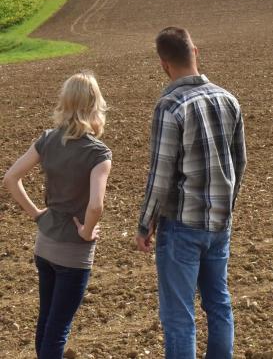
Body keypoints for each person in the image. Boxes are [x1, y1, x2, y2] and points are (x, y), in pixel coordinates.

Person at [134, 27, 246, 359]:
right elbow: (239, 163)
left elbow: (160, 174)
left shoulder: (170, 106)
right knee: (219, 305)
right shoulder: (229, 99)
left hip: (182, 227)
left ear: (164, 64)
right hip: (219, 225)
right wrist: (226, 207)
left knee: (179, 319)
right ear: (195, 51)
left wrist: (144, 225)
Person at [3, 72, 113, 359]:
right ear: (94, 105)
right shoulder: (99, 154)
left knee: (46, 321)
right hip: (73, 255)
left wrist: (37, 215)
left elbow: (11, 178)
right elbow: (96, 206)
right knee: (58, 330)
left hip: (45, 244)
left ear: (65, 103)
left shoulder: (48, 140)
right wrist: (87, 231)